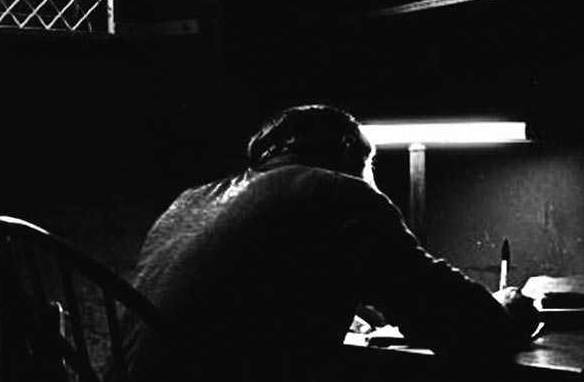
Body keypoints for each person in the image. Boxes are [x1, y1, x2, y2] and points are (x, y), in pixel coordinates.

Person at [120, 104, 540, 382]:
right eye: (370, 164)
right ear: (348, 148)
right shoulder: (340, 193)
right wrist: (504, 306)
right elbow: (464, 324)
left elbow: (238, 298)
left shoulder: (190, 201)